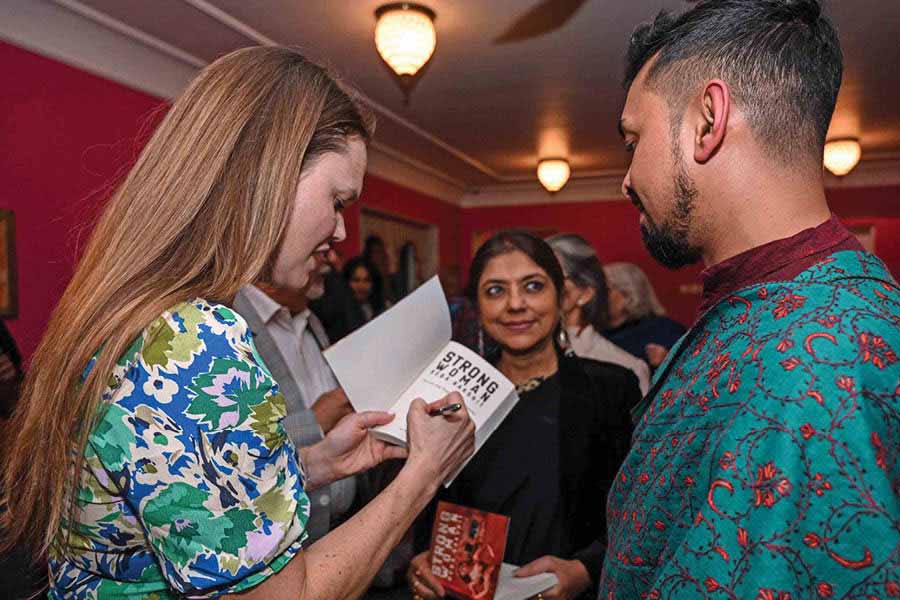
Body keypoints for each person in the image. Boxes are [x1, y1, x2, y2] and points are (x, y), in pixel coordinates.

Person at [0, 46, 474, 600]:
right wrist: (422, 472)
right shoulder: (195, 341)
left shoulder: (132, 311)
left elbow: (167, 489)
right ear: (271, 176)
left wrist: (310, 465)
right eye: (338, 200)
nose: (343, 233)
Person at [601, 1, 900, 597]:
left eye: (633, 140)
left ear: (707, 121)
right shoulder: (760, 307)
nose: (627, 177)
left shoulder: (820, 360)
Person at [407, 231, 640, 600]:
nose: (516, 304)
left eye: (533, 286)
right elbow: (425, 504)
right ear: (478, 306)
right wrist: (421, 558)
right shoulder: (449, 396)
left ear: (560, 297)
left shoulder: (610, 390)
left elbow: (636, 507)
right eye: (496, 291)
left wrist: (584, 570)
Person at [233, 251, 356, 545]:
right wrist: (315, 420)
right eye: (317, 250)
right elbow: (235, 451)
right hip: (286, 545)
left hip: (338, 533)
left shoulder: (310, 320)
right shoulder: (233, 325)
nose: (333, 256)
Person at [547, 234, 651, 396]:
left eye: (554, 277)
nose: (540, 290)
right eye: (532, 281)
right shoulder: (513, 356)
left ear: (585, 294)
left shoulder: (626, 368)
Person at [602, 262, 686, 369]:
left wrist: (667, 362)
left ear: (628, 294)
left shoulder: (665, 330)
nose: (596, 296)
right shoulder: (593, 335)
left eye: (605, 289)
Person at [343, 256, 387, 323]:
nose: (361, 286)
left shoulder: (383, 307)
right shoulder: (340, 312)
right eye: (356, 280)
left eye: (367, 280)